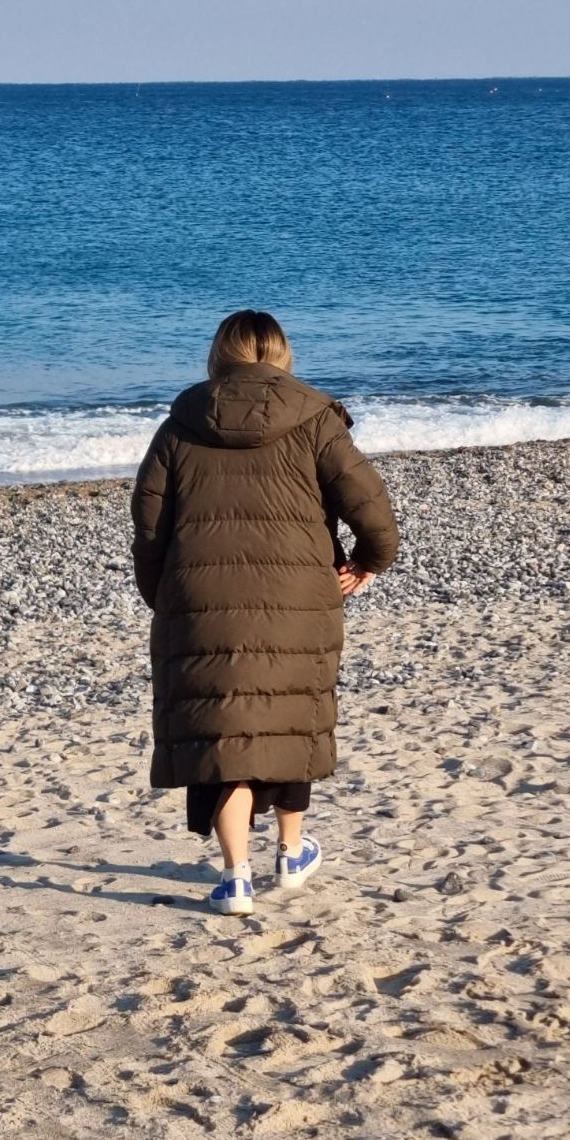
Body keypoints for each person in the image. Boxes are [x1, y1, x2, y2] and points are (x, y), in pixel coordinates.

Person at [130, 309, 400, 912]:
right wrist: (368, 562)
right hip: (299, 599)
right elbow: (374, 512)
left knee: (223, 730)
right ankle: (292, 851)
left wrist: (163, 596)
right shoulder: (315, 418)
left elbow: (149, 526)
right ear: (282, 355)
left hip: (200, 601)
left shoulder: (180, 425)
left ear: (218, 354)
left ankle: (234, 877)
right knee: (287, 721)